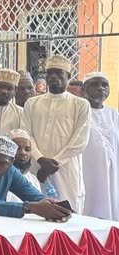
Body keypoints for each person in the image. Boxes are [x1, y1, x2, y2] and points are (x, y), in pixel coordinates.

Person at [21, 55, 90, 213]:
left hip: (65, 168)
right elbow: (26, 134)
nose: (53, 77)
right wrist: (40, 159)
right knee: (36, 211)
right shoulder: (32, 103)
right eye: (50, 73)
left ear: (68, 76)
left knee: (68, 209)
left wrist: (53, 164)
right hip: (35, 167)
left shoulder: (80, 104)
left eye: (59, 73)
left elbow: (79, 141)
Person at [0, 136, 71, 221]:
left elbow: (35, 197)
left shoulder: (11, 171)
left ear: (12, 162)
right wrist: (29, 208)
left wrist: (54, 208)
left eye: (2, 163)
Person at [81, 72, 119, 220]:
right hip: (87, 171)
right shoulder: (79, 112)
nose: (100, 88)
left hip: (113, 172)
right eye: (94, 84)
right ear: (84, 90)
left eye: (104, 85)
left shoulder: (114, 114)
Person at [8, 129, 58, 201]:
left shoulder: (33, 179)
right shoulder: (2, 178)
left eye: (27, 149)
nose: (23, 153)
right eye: (17, 148)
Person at [0, 68, 24, 134]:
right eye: (0, 87)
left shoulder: (20, 113)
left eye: (9, 88)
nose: (4, 91)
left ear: (15, 92)